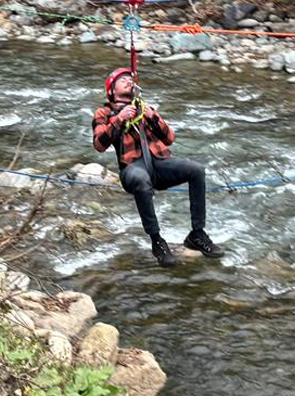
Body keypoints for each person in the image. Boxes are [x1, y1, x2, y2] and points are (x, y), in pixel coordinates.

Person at [92, 67, 224, 267]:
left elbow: (169, 138)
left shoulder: (144, 108)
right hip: (132, 167)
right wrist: (119, 120)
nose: (128, 81)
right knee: (141, 180)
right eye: (122, 80)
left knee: (196, 169)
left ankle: (197, 234)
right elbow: (99, 144)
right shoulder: (104, 113)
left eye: (130, 78)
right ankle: (157, 241)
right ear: (111, 90)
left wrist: (152, 115)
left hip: (160, 163)